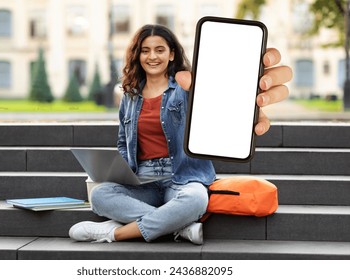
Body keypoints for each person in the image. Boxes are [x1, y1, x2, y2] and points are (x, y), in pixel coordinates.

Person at [69, 24, 293, 245]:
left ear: (171, 54)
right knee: (100, 196)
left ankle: (114, 233)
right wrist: (115, 171)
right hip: (142, 180)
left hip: (183, 177)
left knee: (196, 199)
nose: (152, 56)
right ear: (137, 56)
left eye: (159, 50)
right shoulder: (131, 95)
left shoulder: (187, 88)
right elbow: (122, 140)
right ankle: (181, 227)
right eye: (145, 51)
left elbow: (215, 110)